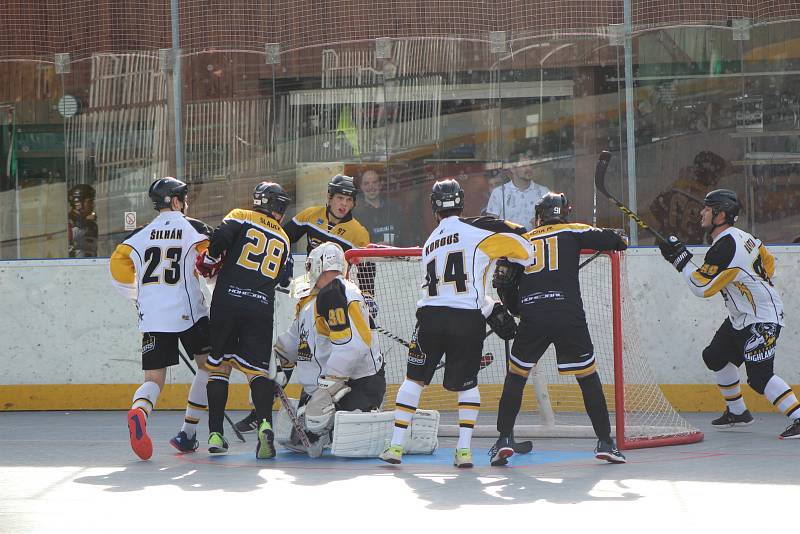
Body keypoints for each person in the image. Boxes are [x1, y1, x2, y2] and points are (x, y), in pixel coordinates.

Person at [379, 179, 530, 468]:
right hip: (466, 320)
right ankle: (463, 451)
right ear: (460, 202)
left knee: (414, 380)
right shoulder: (478, 227)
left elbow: (448, 289)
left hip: (430, 318)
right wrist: (502, 287)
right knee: (467, 385)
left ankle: (396, 446)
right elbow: (522, 242)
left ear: (434, 208)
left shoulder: (429, 243)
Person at [490, 192, 629, 466]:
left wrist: (517, 310)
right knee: (587, 377)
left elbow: (503, 282)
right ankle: (605, 442)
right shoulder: (572, 230)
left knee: (516, 377)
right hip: (568, 313)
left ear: (539, 215)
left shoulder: (523, 239)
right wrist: (618, 235)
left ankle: (504, 438)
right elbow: (618, 240)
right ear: (563, 213)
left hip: (533, 314)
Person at [233, 174, 372, 433]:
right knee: (292, 354)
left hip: (338, 301)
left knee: (330, 353)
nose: (343, 204)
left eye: (348, 200)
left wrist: (368, 300)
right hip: (309, 295)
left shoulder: (358, 233)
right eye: (339, 198)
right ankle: (259, 414)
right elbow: (279, 238)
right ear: (329, 198)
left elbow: (367, 272)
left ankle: (330, 409)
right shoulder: (310, 216)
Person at [658, 189, 800, 439]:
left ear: (720, 214)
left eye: (707, 208)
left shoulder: (725, 247)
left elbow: (702, 288)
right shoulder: (742, 237)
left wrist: (679, 260)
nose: (701, 212)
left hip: (761, 319)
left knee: (759, 377)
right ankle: (738, 412)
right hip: (743, 317)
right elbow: (769, 263)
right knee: (715, 356)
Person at [110, 177, 214, 460]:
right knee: (208, 367)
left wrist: (138, 296)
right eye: (184, 198)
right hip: (189, 313)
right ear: (177, 201)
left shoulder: (139, 235)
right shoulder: (195, 229)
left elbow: (117, 267)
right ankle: (187, 432)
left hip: (153, 316)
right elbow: (212, 263)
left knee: (154, 379)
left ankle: (140, 411)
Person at [196, 181, 293, 458]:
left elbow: (219, 240)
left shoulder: (240, 215)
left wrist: (212, 259)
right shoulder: (284, 238)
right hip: (260, 306)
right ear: (278, 207)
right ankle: (264, 425)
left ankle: (215, 433)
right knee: (257, 372)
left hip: (227, 301)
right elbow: (284, 279)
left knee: (219, 368)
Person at [273, 242, 386, 457]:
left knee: (349, 443)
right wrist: (271, 365)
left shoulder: (340, 293)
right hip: (324, 388)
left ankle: (370, 413)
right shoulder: (311, 300)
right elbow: (294, 341)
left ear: (316, 266)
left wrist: (326, 392)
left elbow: (352, 348)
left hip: (356, 385)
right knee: (298, 439)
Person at [649, 150, 727, 244]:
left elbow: (654, 212)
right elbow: (712, 237)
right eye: (718, 175)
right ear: (712, 175)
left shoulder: (677, 187)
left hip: (664, 247)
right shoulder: (708, 201)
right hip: (691, 249)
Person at [484, 162, 550, 230]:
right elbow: (491, 226)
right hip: (509, 239)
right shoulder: (499, 193)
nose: (529, 168)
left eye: (531, 165)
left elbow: (553, 223)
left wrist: (541, 223)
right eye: (524, 165)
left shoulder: (544, 192)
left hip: (535, 239)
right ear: (513, 169)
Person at [353, 169, 403, 245]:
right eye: (366, 183)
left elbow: (403, 235)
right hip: (370, 255)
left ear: (380, 185)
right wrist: (375, 247)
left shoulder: (393, 208)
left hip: (395, 254)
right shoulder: (356, 213)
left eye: (374, 182)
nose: (371, 187)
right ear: (361, 187)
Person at [68, 184, 98, 257]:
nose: (93, 205)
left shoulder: (92, 225)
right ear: (78, 202)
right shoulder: (68, 222)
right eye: (89, 201)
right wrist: (84, 222)